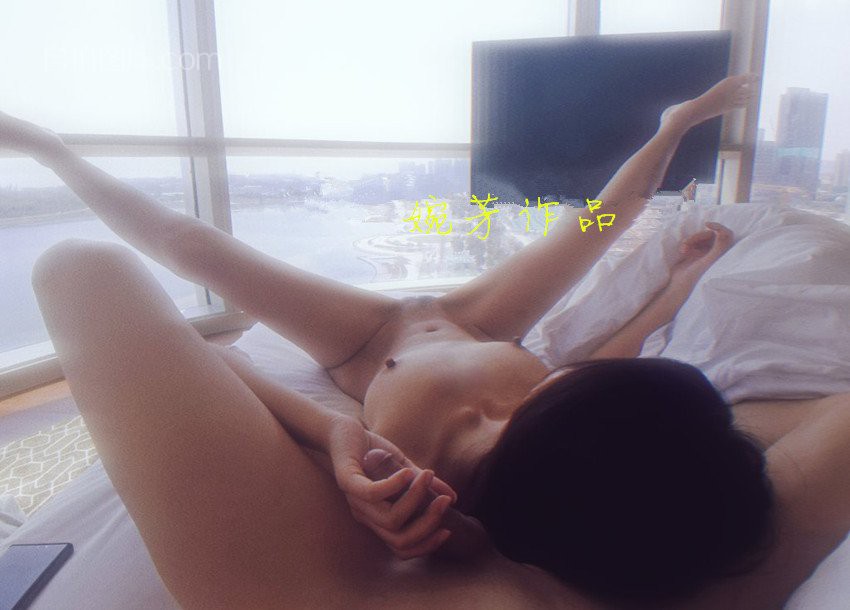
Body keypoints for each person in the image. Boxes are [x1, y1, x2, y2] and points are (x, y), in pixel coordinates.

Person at [2, 74, 848, 608]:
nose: (555, 382)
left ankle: (50, 153)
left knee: (189, 247)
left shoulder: (427, 503)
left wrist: (335, 433)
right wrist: (679, 282)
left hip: (370, 345)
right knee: (601, 223)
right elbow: (609, 353)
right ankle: (670, 124)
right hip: (481, 321)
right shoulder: (598, 458)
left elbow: (193, 349)